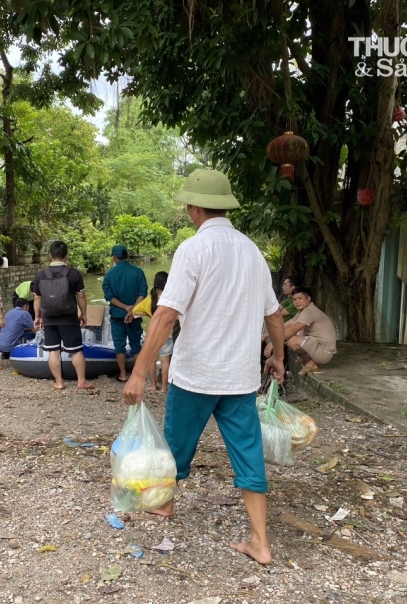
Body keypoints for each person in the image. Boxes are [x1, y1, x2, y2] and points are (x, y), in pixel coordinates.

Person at [123, 169, 286, 565]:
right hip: (239, 377)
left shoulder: (193, 250)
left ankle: (163, 505)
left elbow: (164, 316)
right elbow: (276, 315)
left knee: (177, 443)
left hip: (196, 374)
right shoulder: (252, 251)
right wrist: (278, 356)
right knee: (248, 453)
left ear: (194, 207)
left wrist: (140, 372)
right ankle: (260, 542)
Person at [32, 240, 95, 390]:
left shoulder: (41, 275)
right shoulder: (74, 274)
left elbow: (37, 298)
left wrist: (37, 316)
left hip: (49, 318)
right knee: (76, 350)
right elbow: (81, 296)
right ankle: (81, 381)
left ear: (50, 256)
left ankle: (59, 383)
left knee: (54, 350)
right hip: (69, 318)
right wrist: (84, 314)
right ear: (66, 256)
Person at [264, 286, 337, 375]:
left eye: (300, 298)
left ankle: (311, 364)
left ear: (308, 299)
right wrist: (265, 336)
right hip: (320, 348)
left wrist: (273, 343)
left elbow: (293, 330)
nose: (297, 302)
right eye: (294, 299)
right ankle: (307, 360)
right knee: (291, 337)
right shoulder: (303, 311)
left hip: (324, 352)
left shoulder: (309, 311)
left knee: (292, 340)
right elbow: (286, 325)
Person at [102, 244, 148, 382]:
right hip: (134, 316)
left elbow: (109, 296)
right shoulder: (138, 272)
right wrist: (132, 309)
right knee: (136, 345)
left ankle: (122, 374)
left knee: (119, 346)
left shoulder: (109, 274)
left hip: (117, 316)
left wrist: (125, 307)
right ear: (126, 256)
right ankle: (139, 376)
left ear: (115, 257)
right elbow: (143, 293)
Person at [132, 271, 174, 393]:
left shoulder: (150, 299)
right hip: (168, 332)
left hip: (153, 331)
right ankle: (164, 388)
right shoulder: (169, 299)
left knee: (151, 359)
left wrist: (149, 314)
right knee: (165, 361)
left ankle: (153, 385)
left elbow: (135, 311)